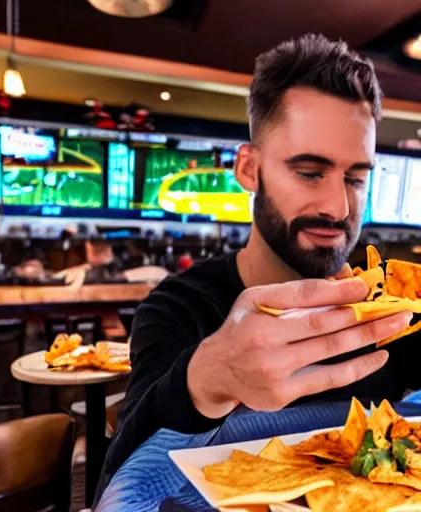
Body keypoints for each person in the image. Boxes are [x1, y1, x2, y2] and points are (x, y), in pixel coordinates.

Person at [95, 33, 419, 498]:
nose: (337, 207)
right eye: (309, 172)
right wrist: (205, 381)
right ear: (249, 170)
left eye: (354, 178)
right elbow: (121, 488)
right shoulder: (178, 308)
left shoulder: (397, 306)